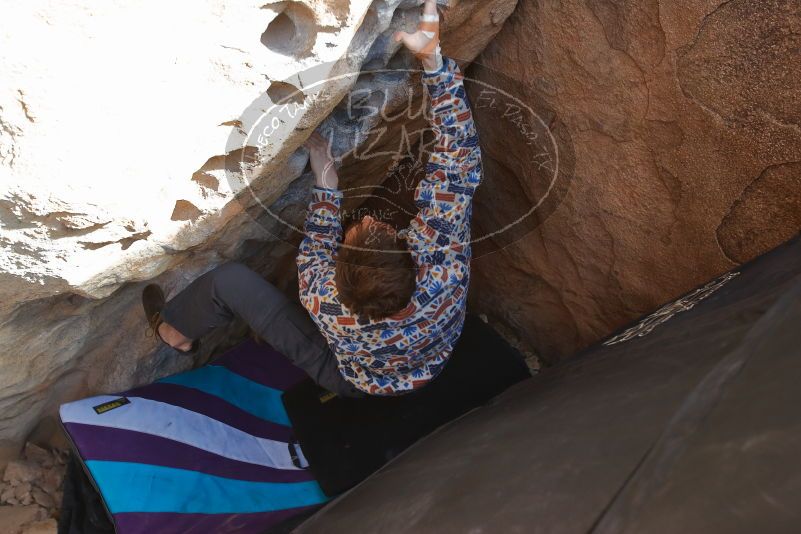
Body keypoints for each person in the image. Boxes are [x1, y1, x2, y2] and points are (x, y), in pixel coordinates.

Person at [142, 0, 482, 397]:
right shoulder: (442, 266)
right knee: (437, 186)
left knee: (227, 283)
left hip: (349, 376)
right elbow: (458, 156)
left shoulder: (321, 297)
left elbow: (318, 246)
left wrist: (326, 184)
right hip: (429, 361)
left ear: (339, 282)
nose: (374, 223)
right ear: (412, 258)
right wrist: (432, 61)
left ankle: (176, 331)